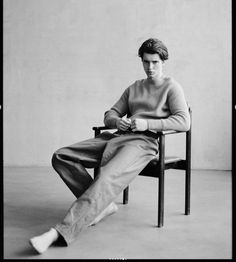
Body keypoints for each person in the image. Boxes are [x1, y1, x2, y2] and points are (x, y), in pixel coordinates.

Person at [29, 38, 190, 254]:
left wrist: (146, 123)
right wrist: (117, 121)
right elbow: (110, 114)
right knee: (62, 156)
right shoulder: (134, 87)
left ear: (163, 62)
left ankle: (58, 232)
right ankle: (103, 206)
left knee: (105, 179)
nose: (150, 68)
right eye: (146, 62)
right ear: (141, 61)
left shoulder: (172, 87)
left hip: (143, 143)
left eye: (155, 62)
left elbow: (183, 121)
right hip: (117, 136)